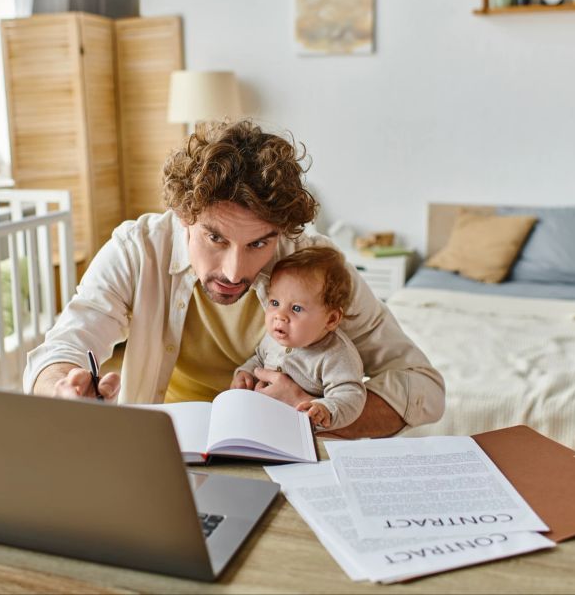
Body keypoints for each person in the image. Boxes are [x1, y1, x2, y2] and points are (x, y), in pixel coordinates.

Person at [24, 119, 444, 438]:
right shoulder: (138, 250)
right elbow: (63, 348)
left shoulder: (317, 267)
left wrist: (311, 412)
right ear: (184, 215)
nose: (234, 271)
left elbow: (422, 385)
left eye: (260, 244)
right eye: (215, 238)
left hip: (286, 455)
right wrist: (62, 390)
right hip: (164, 448)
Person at [231, 247, 365, 431]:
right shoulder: (275, 337)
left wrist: (325, 409)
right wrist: (245, 373)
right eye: (275, 303)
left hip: (304, 435)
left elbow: (351, 395)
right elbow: (259, 358)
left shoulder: (335, 355)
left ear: (331, 319)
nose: (280, 316)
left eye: (296, 308)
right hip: (263, 423)